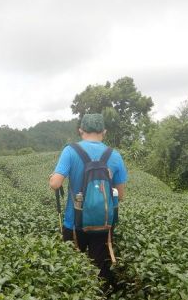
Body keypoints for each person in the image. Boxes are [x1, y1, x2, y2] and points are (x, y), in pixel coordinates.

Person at [49, 113, 128, 283]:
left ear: (80, 130)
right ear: (104, 132)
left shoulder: (70, 151)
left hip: (74, 222)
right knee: (100, 269)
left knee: (71, 271)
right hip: (104, 223)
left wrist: (53, 177)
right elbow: (120, 195)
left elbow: (56, 184)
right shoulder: (114, 155)